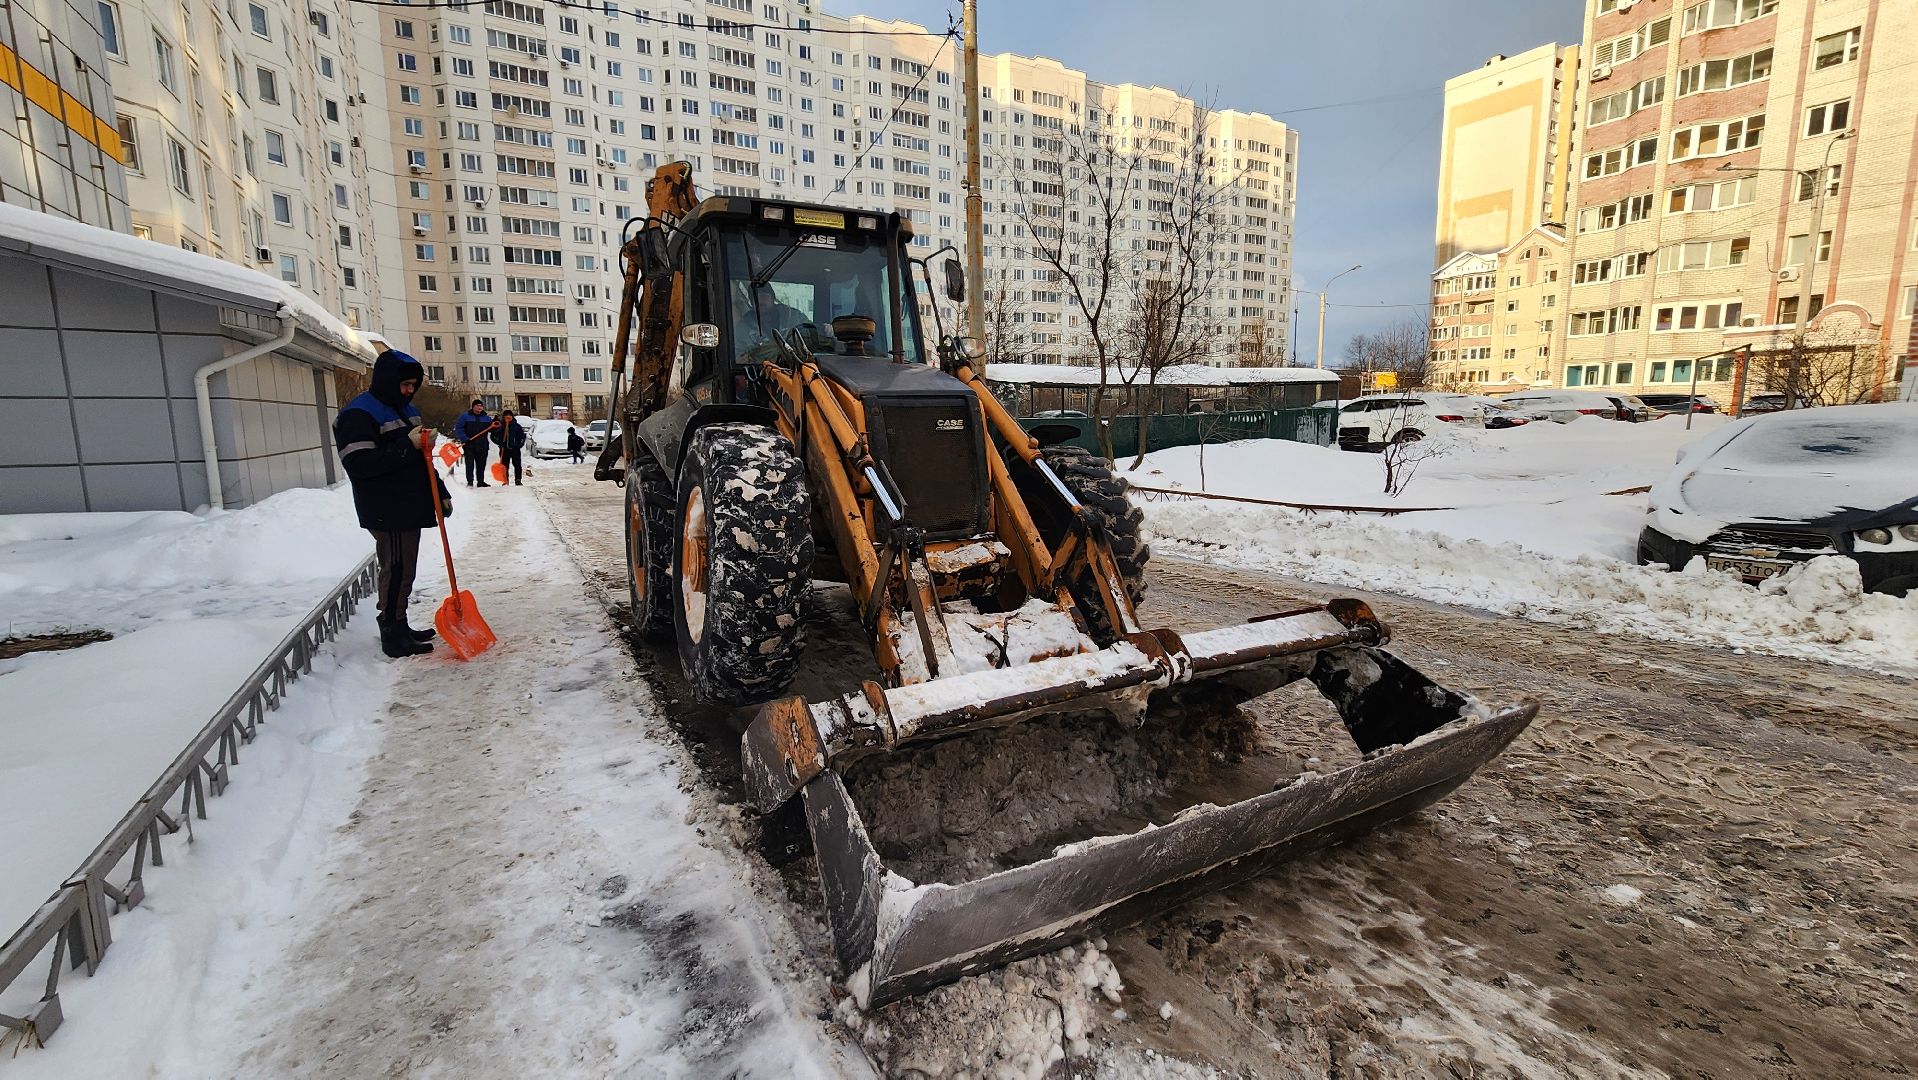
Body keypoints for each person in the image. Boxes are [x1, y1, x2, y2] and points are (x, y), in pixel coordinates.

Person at [334, 349, 451, 658]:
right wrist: (406, 444)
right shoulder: (359, 414)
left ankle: (400, 624)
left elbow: (422, 460)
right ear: (388, 380)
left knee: (405, 569)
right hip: (387, 506)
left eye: (413, 385)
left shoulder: (407, 410)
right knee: (396, 569)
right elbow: (359, 464)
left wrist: (439, 491)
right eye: (405, 384)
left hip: (408, 503)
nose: (410, 390)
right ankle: (392, 632)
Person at [453, 399, 496, 487]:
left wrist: (496, 424)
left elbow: (493, 429)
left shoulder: (486, 418)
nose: (479, 407)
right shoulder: (465, 416)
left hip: (482, 445)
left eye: (481, 406)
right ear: (473, 407)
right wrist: (465, 438)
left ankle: (480, 481)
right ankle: (470, 481)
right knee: (470, 464)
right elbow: (459, 428)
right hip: (469, 444)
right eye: (477, 406)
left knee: (481, 464)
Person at [492, 409, 527, 485]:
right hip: (504, 449)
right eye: (506, 415)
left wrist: (519, 445)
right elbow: (493, 436)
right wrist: (500, 443)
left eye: (510, 415)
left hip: (515, 449)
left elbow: (522, 437)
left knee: (517, 465)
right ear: (504, 417)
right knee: (504, 466)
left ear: (512, 417)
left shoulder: (516, 426)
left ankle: (518, 480)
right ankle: (505, 480)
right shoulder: (501, 426)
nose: (508, 417)